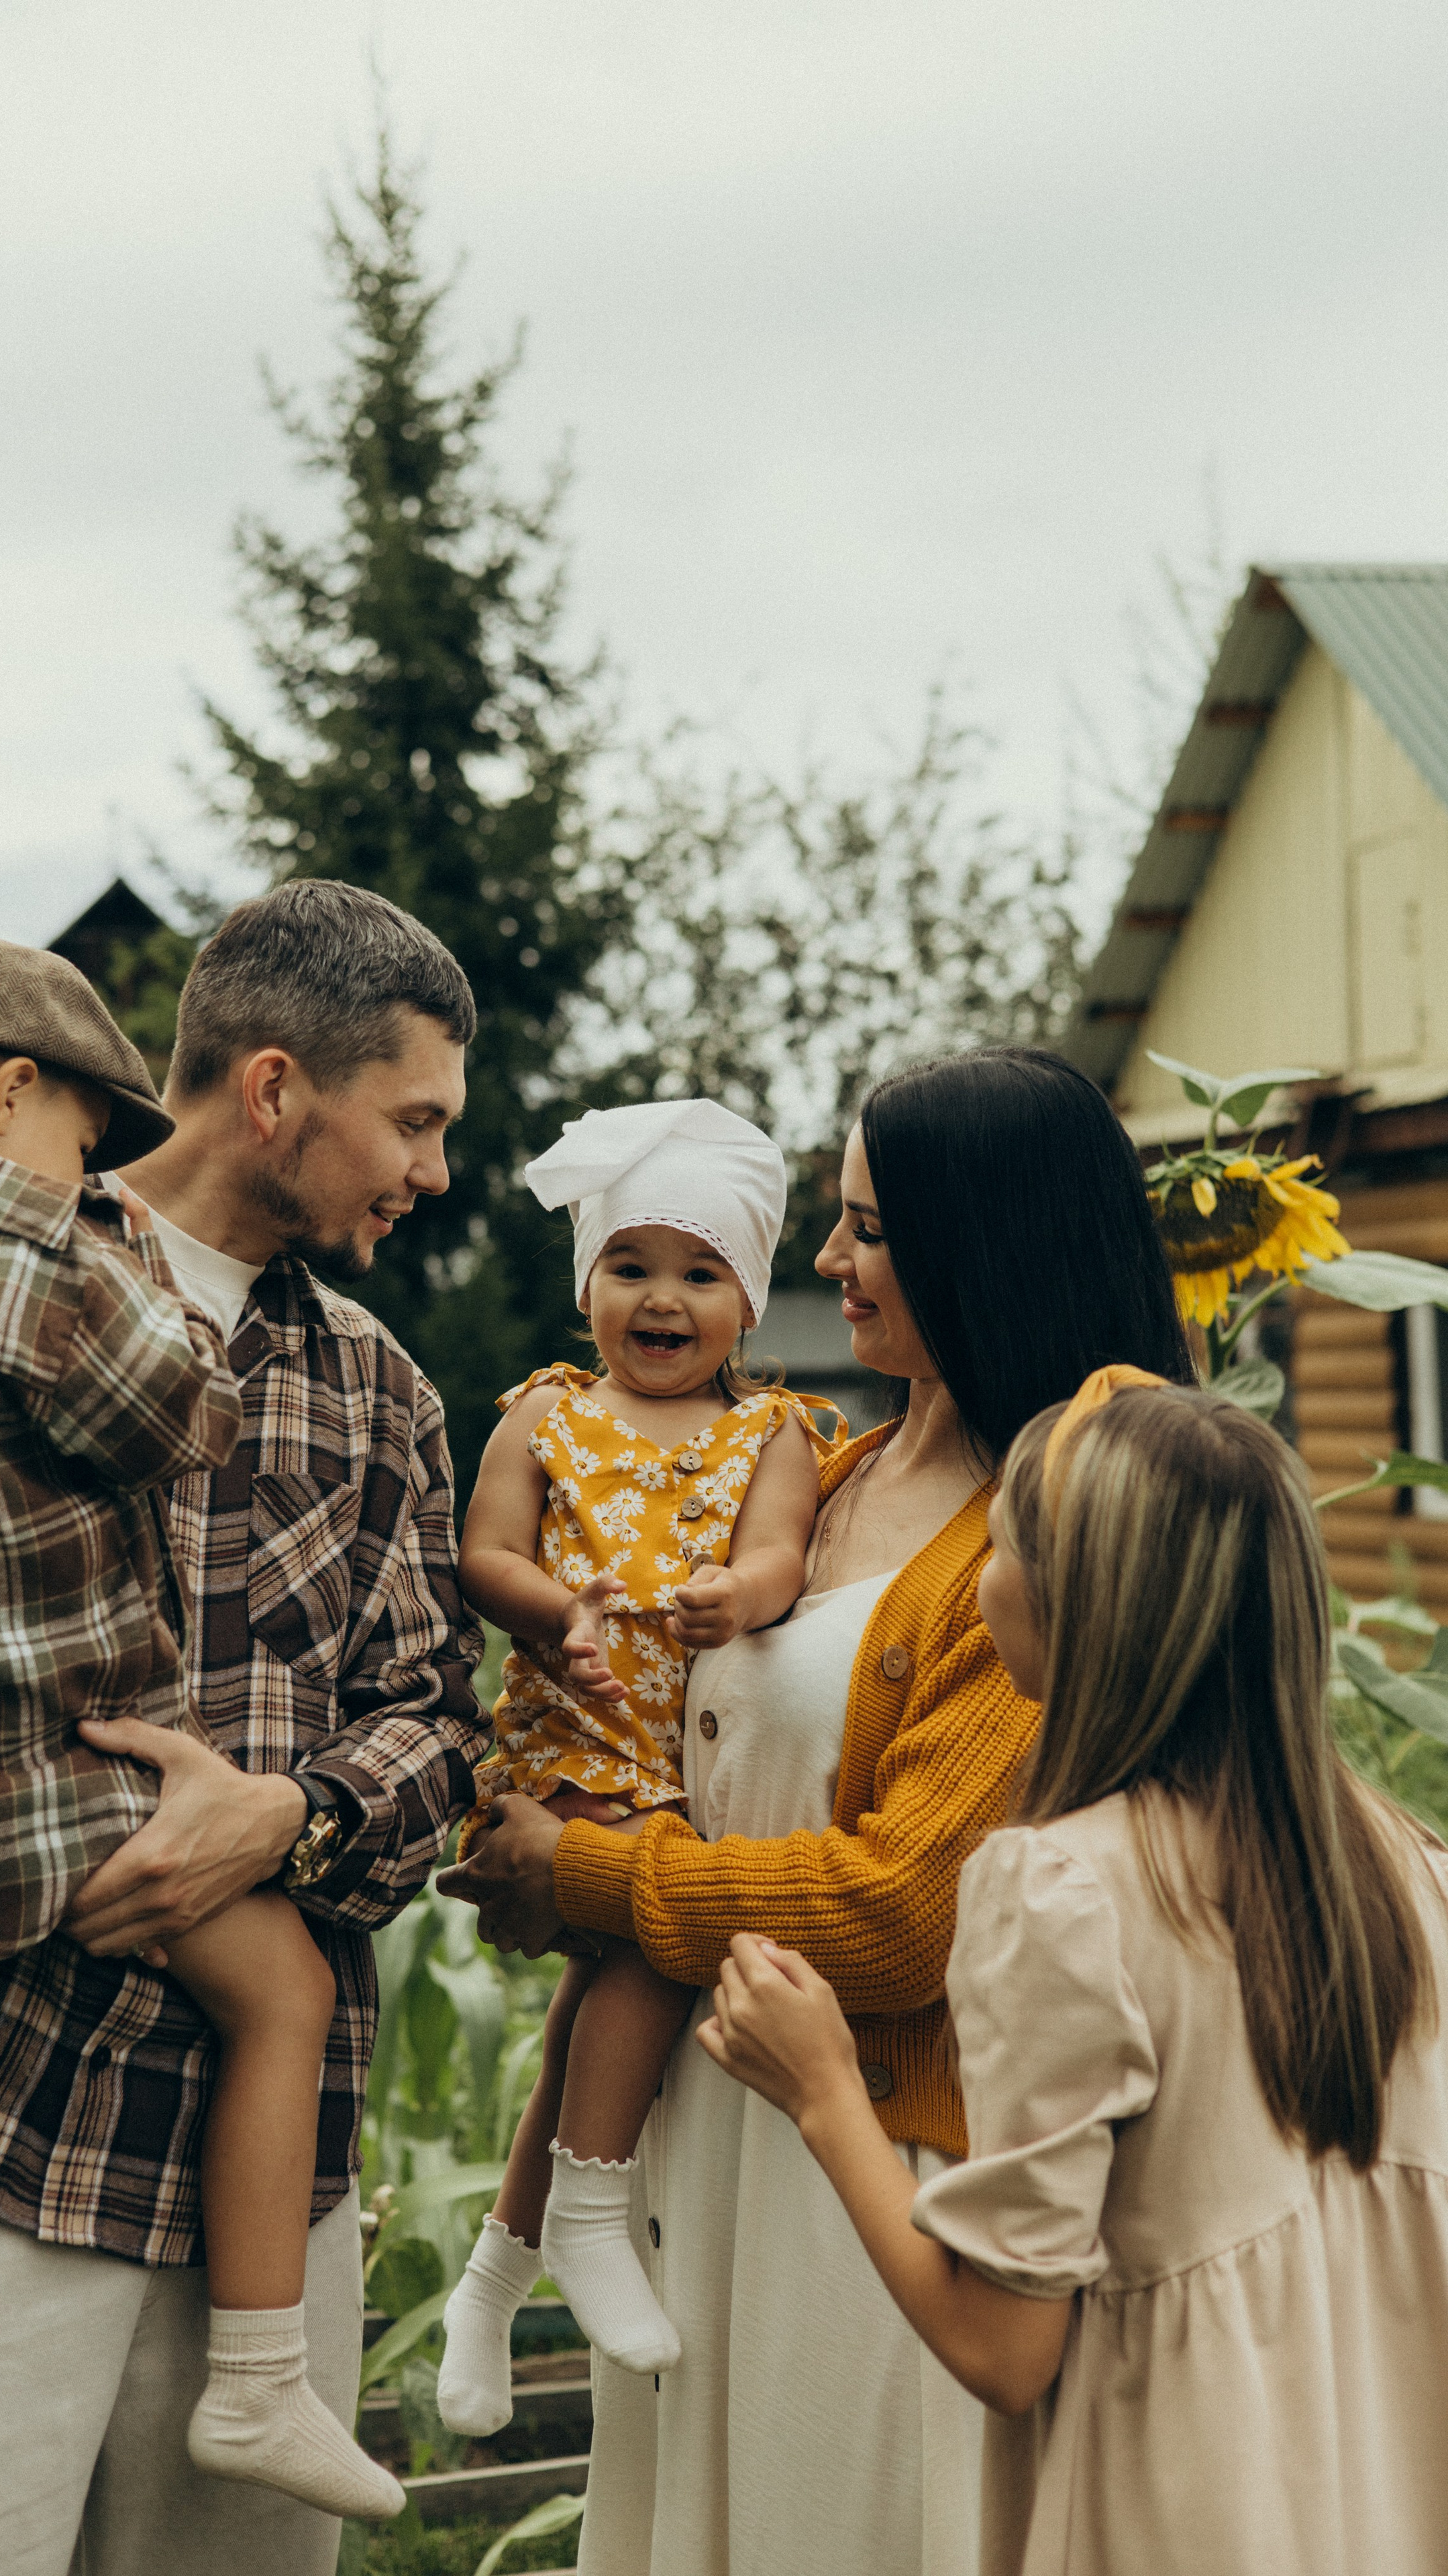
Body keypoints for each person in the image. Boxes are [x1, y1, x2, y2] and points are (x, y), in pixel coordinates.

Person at [0, 884, 488, 2576]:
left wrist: (286, 1817)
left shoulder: (377, 1390)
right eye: (415, 1119)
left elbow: (436, 1721)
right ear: (277, 1090)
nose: (434, 1171)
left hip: (254, 2210)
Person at [440, 1046, 1195, 2576]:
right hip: (709, 2099)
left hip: (872, 2138)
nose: (830, 1259)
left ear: (982, 1245)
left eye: (870, 1228)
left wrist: (591, 1878)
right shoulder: (830, 1476)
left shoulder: (1049, 1535)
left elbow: (905, 1910)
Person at [702, 1368, 1448, 2576]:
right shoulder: (1416, 1871)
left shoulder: (1060, 1893)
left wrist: (824, 2088)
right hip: (1382, 2506)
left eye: (1001, 1546)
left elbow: (1004, 2349)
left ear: (1079, 1603)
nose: (978, 1579)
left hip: (1176, 2510)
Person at [437, 1102, 829, 2431]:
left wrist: (741, 1595)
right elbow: (484, 1554)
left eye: (700, 1272)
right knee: (660, 1945)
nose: (662, 1298)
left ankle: (495, 2276)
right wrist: (561, 1612)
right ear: (587, 1284)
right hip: (570, 1745)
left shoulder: (773, 1431)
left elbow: (780, 1550)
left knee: (582, 2021)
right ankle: (592, 2208)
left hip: (684, 1770)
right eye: (630, 1265)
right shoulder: (547, 1418)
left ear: (747, 1302)